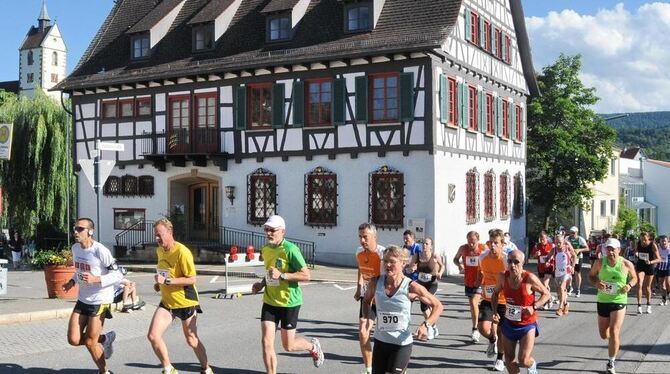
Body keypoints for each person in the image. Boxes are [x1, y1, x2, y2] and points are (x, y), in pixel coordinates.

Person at [251, 215, 324, 374]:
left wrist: (283, 275)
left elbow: (306, 275)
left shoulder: (291, 250)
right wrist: (260, 284)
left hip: (289, 302)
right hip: (270, 301)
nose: (269, 233)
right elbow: (270, 273)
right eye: (266, 230)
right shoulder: (266, 249)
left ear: (282, 231)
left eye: (273, 230)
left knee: (288, 346)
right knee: (266, 342)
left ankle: (312, 347)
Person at [361, 245, 443, 374]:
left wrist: (426, 325)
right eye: (385, 261)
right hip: (380, 342)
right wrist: (366, 319)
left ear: (403, 263)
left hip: (401, 345)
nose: (387, 265)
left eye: (392, 262)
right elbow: (366, 301)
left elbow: (438, 306)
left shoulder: (411, 287)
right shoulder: (375, 282)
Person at [147, 218, 213, 374]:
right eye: (155, 235)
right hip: (168, 302)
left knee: (191, 339)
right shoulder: (160, 250)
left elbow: (192, 279)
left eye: (159, 234)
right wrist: (159, 284)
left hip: (185, 301)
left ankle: (206, 368)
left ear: (170, 232)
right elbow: (164, 273)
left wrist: (167, 281)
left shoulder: (182, 252)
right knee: (153, 335)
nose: (157, 238)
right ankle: (168, 368)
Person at [62, 218, 122, 374]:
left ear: (90, 231)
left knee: (89, 342)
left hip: (100, 299)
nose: (76, 232)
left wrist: (96, 279)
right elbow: (79, 271)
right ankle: (105, 339)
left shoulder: (100, 250)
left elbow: (118, 275)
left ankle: (104, 372)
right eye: (75, 228)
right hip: (83, 298)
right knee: (73, 339)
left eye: (80, 229)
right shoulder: (75, 248)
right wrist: (71, 282)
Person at [492, 250, 550, 374]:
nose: (512, 265)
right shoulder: (503, 277)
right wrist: (494, 311)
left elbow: (546, 294)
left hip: (527, 325)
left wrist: (533, 307)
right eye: (509, 261)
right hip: (509, 323)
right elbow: (495, 293)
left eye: (516, 262)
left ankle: (532, 364)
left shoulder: (529, 278)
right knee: (509, 361)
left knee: (523, 360)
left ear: (522, 263)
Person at [588, 238, 638, 374]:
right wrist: (596, 283)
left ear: (619, 250)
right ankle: (613, 342)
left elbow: (634, 278)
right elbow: (591, 276)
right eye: (608, 249)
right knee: (604, 334)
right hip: (603, 300)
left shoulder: (626, 264)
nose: (610, 252)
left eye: (613, 249)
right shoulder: (599, 262)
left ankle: (611, 362)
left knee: (614, 331)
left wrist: (629, 285)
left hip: (619, 300)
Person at [355, 223, 385, 374]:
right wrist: (359, 287)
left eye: (365, 237)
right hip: (367, 298)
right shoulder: (359, 252)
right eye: (360, 237)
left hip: (384, 299)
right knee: (363, 331)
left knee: (386, 336)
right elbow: (361, 269)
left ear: (374, 237)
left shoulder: (382, 254)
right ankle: (369, 369)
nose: (362, 240)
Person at [476, 229, 507, 371]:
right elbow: (480, 274)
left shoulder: (506, 260)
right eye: (491, 242)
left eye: (496, 243)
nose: (493, 245)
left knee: (501, 331)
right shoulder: (482, 257)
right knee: (482, 328)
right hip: (488, 298)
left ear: (502, 244)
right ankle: (491, 339)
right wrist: (477, 287)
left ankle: (500, 359)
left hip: (503, 301)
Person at [452, 230, 485, 343]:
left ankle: (475, 329)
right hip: (468, 281)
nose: (471, 244)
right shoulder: (463, 248)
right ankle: (476, 324)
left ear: (478, 240)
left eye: (473, 242)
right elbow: (455, 259)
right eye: (469, 241)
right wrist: (459, 265)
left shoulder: (483, 248)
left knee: (473, 303)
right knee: (472, 306)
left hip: (481, 281)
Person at [411, 237, 444, 340]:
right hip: (421, 284)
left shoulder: (434, 255)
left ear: (431, 246)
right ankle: (432, 326)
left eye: (427, 244)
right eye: (423, 244)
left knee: (428, 303)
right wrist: (412, 268)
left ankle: (429, 327)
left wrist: (440, 273)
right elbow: (411, 265)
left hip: (432, 284)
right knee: (423, 307)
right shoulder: (417, 255)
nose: (424, 245)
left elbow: (442, 265)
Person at [634, 232, 661, 314]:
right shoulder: (638, 244)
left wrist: (650, 262)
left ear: (648, 238)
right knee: (639, 284)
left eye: (645, 240)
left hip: (649, 266)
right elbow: (635, 252)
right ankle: (639, 306)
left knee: (648, 287)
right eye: (642, 239)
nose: (643, 242)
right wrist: (636, 254)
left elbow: (659, 259)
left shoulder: (653, 245)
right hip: (640, 265)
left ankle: (648, 305)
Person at [551, 234, 577, 316]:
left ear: (563, 242)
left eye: (560, 242)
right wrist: (547, 262)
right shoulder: (554, 249)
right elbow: (548, 258)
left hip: (567, 272)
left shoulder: (567, 248)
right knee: (559, 292)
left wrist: (573, 266)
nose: (558, 244)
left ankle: (560, 308)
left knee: (562, 288)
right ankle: (566, 304)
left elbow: (574, 256)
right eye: (556, 242)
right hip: (557, 272)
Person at [531, 231, 556, 309]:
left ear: (547, 238)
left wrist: (550, 261)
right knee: (543, 286)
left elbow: (556, 254)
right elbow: (532, 256)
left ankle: (546, 301)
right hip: (541, 267)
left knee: (544, 284)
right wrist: (536, 255)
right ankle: (550, 298)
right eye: (541, 239)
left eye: (543, 239)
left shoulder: (551, 245)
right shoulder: (537, 246)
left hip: (549, 267)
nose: (542, 241)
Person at [566, 226, 587, 297]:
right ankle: (570, 288)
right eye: (571, 232)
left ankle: (578, 289)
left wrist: (579, 250)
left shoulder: (580, 239)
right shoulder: (567, 238)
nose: (572, 234)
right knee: (569, 273)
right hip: (569, 257)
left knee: (577, 273)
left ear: (576, 232)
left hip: (578, 257)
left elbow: (587, 248)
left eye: (573, 232)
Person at [656, 235, 670, 306]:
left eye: (665, 241)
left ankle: (668, 293)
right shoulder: (657, 248)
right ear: (660, 242)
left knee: (668, 283)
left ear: (668, 241)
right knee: (662, 285)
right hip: (660, 268)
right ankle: (664, 300)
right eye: (662, 241)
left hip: (668, 268)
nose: (664, 242)